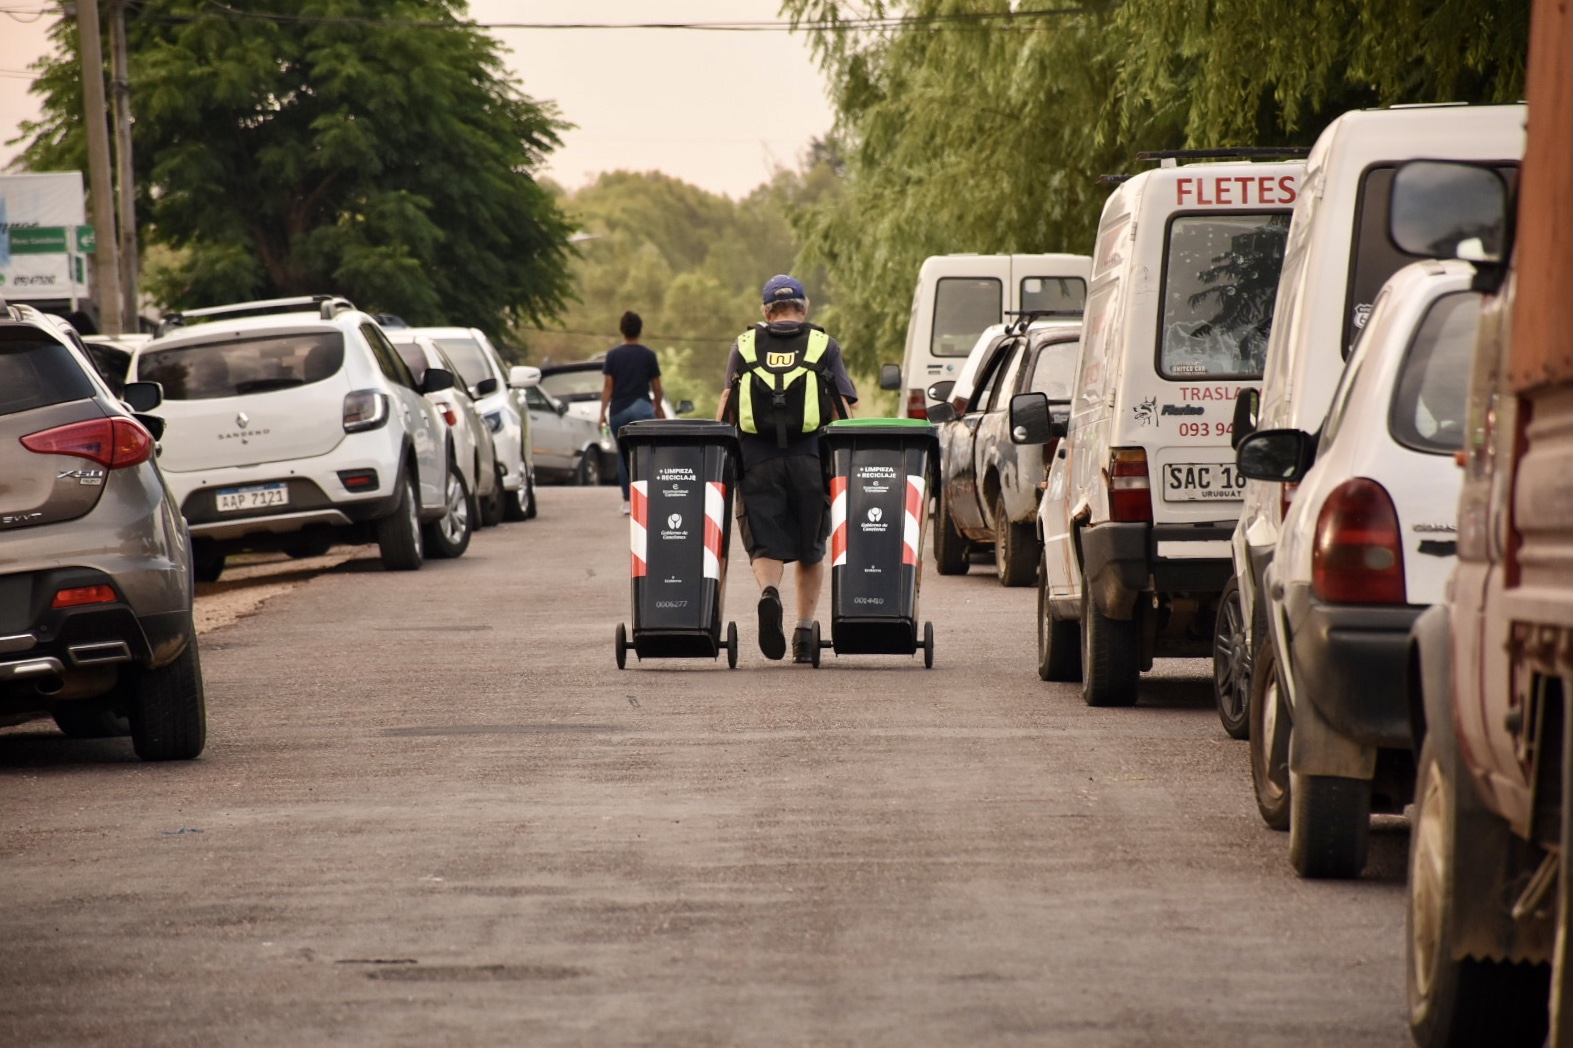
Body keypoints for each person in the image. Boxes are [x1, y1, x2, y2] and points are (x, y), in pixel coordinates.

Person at [716, 274, 858, 663]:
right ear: (804, 306)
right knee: (811, 549)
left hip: (756, 458)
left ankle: (769, 593)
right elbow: (842, 408)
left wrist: (723, 460)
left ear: (765, 311)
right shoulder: (822, 344)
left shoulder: (744, 345)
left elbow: (728, 405)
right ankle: (804, 634)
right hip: (810, 458)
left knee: (765, 542)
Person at [598, 311, 667, 513]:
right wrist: (659, 407)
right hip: (642, 409)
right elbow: (657, 387)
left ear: (622, 330)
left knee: (623, 455)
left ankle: (628, 501)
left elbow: (608, 387)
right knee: (647, 454)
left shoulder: (613, 355)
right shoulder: (648, 355)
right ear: (640, 329)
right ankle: (647, 498)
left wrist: (602, 413)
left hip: (618, 411)